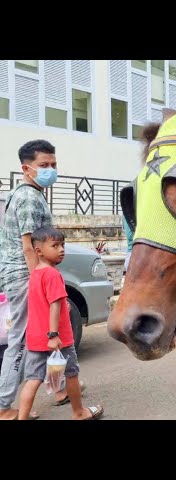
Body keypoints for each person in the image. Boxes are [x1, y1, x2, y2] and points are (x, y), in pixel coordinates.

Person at [0, 139, 69, 420]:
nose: (50, 169)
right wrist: (39, 284)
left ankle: (61, 388)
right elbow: (29, 246)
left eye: (53, 164)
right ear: (26, 168)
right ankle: (4, 406)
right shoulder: (28, 196)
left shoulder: (30, 192)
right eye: (44, 165)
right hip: (24, 278)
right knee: (20, 341)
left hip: (27, 277)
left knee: (49, 334)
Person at [16, 227, 103, 420]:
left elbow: (45, 303)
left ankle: (21, 417)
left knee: (32, 380)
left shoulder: (36, 274)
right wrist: (53, 335)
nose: (61, 249)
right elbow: (54, 305)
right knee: (71, 374)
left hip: (35, 337)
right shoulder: (53, 274)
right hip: (58, 337)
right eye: (55, 246)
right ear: (38, 251)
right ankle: (79, 413)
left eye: (62, 245)